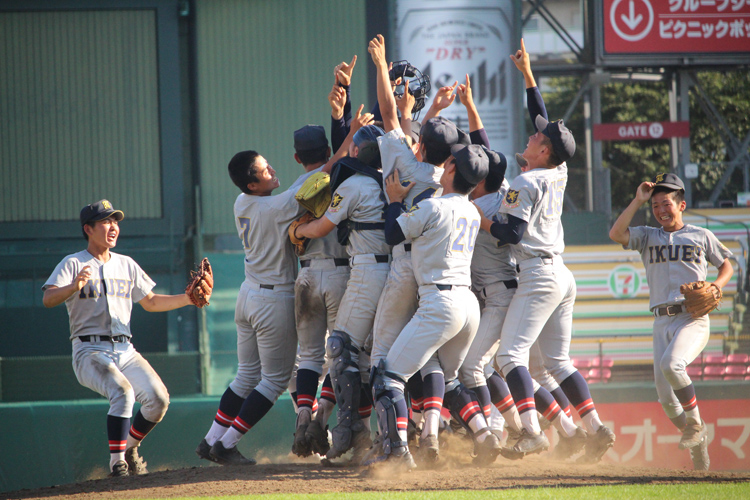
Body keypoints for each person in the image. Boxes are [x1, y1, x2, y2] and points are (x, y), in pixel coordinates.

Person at [477, 39, 615, 462]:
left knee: (509, 356)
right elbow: (543, 121)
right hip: (560, 273)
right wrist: (527, 75)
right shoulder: (559, 168)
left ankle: (533, 432)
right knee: (556, 361)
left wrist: (475, 217)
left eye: (539, 136)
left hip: (538, 272)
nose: (534, 133)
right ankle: (595, 428)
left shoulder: (527, 181)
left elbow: (510, 233)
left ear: (543, 151)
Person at [43, 200, 207, 477]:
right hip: (89, 350)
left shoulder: (126, 264)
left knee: (158, 400)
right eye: (106, 221)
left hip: (125, 348)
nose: (113, 227)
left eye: (115, 221)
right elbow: (48, 298)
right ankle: (117, 463)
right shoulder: (73, 262)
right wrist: (73, 286)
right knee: (122, 392)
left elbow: (152, 302)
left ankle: (129, 448)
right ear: (88, 229)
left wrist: (189, 299)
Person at [371, 143, 500, 468]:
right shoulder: (471, 209)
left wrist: (396, 202)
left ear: (453, 168)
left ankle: (398, 451)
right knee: (452, 380)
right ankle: (484, 436)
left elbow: (391, 234)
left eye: (449, 161)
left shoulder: (432, 207)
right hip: (467, 305)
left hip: (439, 301)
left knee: (388, 378)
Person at [609, 172, 733, 470]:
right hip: (660, 321)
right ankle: (698, 436)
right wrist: (638, 200)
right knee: (666, 400)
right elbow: (616, 233)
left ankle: (695, 424)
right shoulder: (648, 235)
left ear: (681, 205)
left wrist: (717, 286)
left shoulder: (700, 235)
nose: (660, 210)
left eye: (666, 203)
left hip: (692, 317)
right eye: (655, 206)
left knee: (672, 365)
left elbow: (726, 263)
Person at [195, 150, 304, 466]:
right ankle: (226, 444)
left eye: (267, 162)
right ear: (252, 184)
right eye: (263, 169)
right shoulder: (274, 207)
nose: (271, 168)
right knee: (274, 380)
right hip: (272, 298)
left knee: (246, 376)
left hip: (248, 294)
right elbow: (312, 180)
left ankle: (211, 438)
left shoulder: (241, 202)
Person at [293, 122, 391, 460]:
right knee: (373, 357)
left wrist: (298, 230)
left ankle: (352, 429)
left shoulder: (357, 184)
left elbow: (321, 227)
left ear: (358, 152)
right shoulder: (391, 182)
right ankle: (387, 433)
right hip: (394, 272)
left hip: (366, 270)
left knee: (341, 347)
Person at [287, 125, 351, 458]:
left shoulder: (293, 190)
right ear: (327, 151)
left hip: (307, 275)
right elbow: (332, 172)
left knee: (309, 357)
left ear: (297, 157)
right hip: (341, 274)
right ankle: (321, 418)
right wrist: (350, 128)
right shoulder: (343, 178)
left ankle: (302, 417)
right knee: (340, 354)